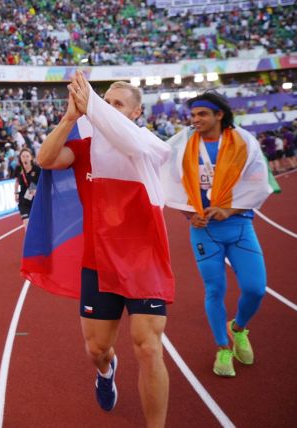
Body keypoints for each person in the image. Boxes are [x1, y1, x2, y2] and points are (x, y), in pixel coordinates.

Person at [36, 71, 173, 427]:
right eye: (104, 102)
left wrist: (94, 107)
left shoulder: (150, 145)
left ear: (136, 113)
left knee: (148, 346)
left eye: (116, 105)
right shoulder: (84, 149)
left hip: (145, 263)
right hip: (98, 262)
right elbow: (45, 160)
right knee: (97, 349)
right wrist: (70, 117)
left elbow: (132, 143)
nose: (107, 110)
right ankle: (107, 370)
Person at [161, 91, 272, 377]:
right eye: (193, 114)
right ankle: (223, 350)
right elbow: (168, 180)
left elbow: (259, 183)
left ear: (219, 115)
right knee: (215, 290)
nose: (194, 119)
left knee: (255, 288)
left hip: (239, 226)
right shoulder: (182, 144)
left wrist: (230, 210)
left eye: (202, 114)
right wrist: (188, 212)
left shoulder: (243, 142)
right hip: (203, 231)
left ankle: (238, 328)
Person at [14, 148, 40, 226]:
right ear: (20, 158)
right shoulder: (18, 169)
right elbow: (17, 181)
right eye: (23, 156)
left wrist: (36, 190)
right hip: (23, 201)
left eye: (27, 156)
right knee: (27, 223)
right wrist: (15, 193)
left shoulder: (37, 169)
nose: (25, 158)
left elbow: (42, 183)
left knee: (36, 224)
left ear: (31, 157)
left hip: (35, 200)